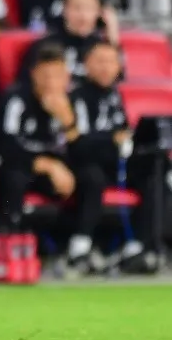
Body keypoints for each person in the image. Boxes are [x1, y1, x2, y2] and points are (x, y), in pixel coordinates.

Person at [0, 43, 105, 274]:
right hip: (24, 167)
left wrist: (68, 122)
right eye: (46, 75)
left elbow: (86, 152)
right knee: (14, 177)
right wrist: (46, 165)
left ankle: (80, 247)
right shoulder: (16, 99)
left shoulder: (74, 102)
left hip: (59, 171)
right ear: (34, 74)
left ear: (67, 77)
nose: (52, 82)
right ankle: (8, 242)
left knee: (93, 177)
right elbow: (3, 145)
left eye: (58, 75)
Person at [68, 40, 159, 273]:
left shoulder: (115, 97)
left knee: (156, 168)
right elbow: (77, 141)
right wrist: (111, 141)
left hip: (114, 162)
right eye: (100, 61)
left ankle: (140, 246)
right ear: (85, 64)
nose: (106, 67)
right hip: (84, 162)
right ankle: (79, 246)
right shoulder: (77, 96)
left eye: (111, 61)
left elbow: (123, 134)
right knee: (92, 177)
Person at [18, 0, 120, 85]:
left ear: (99, 13)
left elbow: (116, 85)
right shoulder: (45, 47)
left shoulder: (101, 48)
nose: (83, 16)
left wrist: (112, 40)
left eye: (89, 9)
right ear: (64, 9)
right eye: (77, 8)